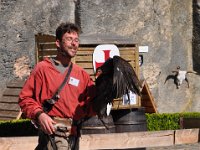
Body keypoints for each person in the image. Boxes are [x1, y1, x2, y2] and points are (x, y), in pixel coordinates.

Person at [18, 22, 96, 150]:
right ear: (58, 43)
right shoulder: (42, 69)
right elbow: (25, 98)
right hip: (52, 135)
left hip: (73, 138)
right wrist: (39, 115)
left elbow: (92, 107)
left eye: (76, 40)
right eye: (69, 39)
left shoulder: (82, 75)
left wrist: (108, 93)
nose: (74, 43)